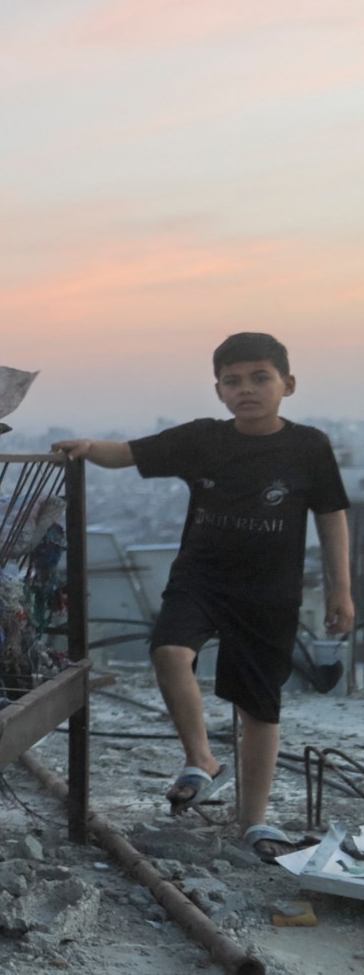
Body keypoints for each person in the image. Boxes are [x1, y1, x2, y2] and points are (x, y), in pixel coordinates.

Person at [59, 332, 353, 857]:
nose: (247, 389)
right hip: (201, 577)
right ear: (218, 390)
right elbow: (126, 453)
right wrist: (84, 449)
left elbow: (331, 517)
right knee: (170, 651)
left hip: (269, 592)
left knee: (259, 708)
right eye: (233, 380)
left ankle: (254, 821)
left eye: (260, 378)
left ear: (287, 383)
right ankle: (203, 760)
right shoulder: (202, 439)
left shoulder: (308, 446)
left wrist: (341, 591)